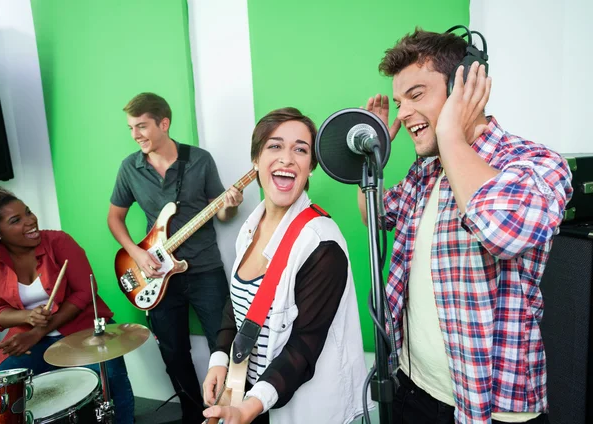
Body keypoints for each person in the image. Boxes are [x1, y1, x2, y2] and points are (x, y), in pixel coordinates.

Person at [356, 28, 574, 423]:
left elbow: (503, 232)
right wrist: (374, 159)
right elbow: (375, 216)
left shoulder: (535, 163)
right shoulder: (424, 172)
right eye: (400, 100)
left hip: (492, 408)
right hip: (414, 388)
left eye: (416, 95)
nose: (402, 113)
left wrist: (451, 134)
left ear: (465, 86)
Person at [202, 108, 370, 424]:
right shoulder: (250, 228)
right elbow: (237, 304)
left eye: (300, 150)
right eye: (275, 146)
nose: (287, 158)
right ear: (256, 161)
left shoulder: (322, 244)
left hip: (303, 406)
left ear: (310, 167)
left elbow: (302, 348)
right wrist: (219, 360)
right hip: (251, 395)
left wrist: (248, 408)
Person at [107, 92, 243, 422]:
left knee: (225, 346)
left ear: (164, 124)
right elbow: (115, 218)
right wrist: (137, 254)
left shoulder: (199, 160)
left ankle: (233, 413)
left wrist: (231, 206)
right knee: (173, 351)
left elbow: (221, 215)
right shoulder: (130, 168)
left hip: (205, 270)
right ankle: (193, 414)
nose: (135, 134)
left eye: (141, 126)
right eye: (130, 128)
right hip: (154, 275)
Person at [0, 186, 135, 423]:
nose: (30, 221)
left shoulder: (59, 242)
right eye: (16, 220)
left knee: (111, 380)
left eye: (28, 212)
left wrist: (39, 330)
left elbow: (83, 294)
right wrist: (26, 317)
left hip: (83, 329)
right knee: (1, 392)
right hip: (29, 337)